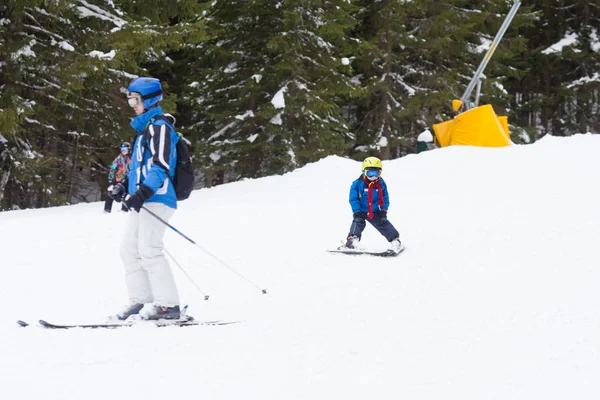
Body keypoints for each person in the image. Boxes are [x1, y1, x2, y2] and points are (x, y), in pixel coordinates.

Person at [108, 77, 182, 321]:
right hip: (144, 198)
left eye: (136, 99)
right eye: (130, 99)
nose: (132, 104)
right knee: (129, 249)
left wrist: (142, 192)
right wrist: (122, 187)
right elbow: (138, 169)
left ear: (149, 100)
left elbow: (161, 166)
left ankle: (168, 305)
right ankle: (141, 299)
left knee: (149, 249)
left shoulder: (159, 127)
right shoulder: (143, 131)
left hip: (158, 197)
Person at [342, 156, 402, 252]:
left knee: (383, 222)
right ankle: (352, 241)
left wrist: (383, 210)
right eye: (370, 173)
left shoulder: (381, 183)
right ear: (364, 172)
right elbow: (353, 199)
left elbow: (385, 197)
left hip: (374, 211)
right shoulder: (357, 184)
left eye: (376, 173)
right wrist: (356, 211)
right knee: (357, 223)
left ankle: (395, 240)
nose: (373, 177)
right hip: (361, 211)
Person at [104, 142, 132, 213]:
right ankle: (107, 210)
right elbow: (112, 168)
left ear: (129, 149)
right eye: (122, 149)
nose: (123, 151)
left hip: (128, 179)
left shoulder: (132, 158)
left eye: (125, 149)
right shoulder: (119, 158)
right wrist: (111, 179)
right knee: (112, 193)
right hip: (119, 178)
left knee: (126, 194)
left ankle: (124, 210)